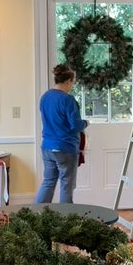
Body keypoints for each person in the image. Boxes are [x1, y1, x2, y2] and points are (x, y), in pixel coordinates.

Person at [35, 64, 88, 204]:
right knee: (67, 186)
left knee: (48, 182)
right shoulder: (68, 100)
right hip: (65, 147)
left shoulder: (45, 97)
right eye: (73, 81)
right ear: (68, 80)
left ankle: (34, 216)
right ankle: (67, 221)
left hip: (47, 147)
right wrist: (86, 123)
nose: (73, 84)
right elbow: (75, 125)